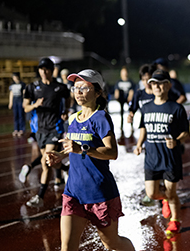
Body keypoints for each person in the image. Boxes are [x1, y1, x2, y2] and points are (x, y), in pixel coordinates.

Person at [46, 69, 135, 251]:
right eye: (75, 87)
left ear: (97, 92)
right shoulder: (73, 118)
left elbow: (112, 152)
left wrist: (82, 149)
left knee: (112, 243)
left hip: (99, 192)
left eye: (84, 88)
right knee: (67, 247)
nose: (78, 92)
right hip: (73, 192)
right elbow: (74, 147)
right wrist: (61, 154)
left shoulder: (101, 118)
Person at [133, 69, 189, 238]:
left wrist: (177, 141)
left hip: (170, 158)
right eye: (153, 83)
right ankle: (164, 200)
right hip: (151, 157)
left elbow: (186, 132)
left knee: (172, 193)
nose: (156, 86)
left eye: (160, 83)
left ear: (168, 85)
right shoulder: (146, 108)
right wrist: (138, 144)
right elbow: (143, 128)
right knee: (151, 193)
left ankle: (175, 220)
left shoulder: (176, 108)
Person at [23, 57, 71, 207]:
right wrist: (35, 105)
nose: (43, 72)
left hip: (55, 128)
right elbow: (25, 107)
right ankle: (66, 168)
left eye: (46, 69)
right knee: (49, 163)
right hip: (40, 130)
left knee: (45, 161)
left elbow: (68, 97)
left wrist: (66, 110)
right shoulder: (33, 87)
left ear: (51, 71)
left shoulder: (59, 87)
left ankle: (40, 197)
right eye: (41, 69)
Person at [114, 66, 135, 136]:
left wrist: (130, 96)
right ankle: (121, 126)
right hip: (121, 99)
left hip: (128, 99)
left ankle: (131, 126)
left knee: (130, 112)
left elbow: (132, 90)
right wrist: (116, 96)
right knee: (122, 113)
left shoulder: (130, 81)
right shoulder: (119, 81)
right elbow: (116, 90)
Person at [9, 72, 27, 136]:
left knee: (21, 115)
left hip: (20, 100)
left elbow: (24, 93)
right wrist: (10, 102)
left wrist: (24, 102)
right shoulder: (12, 84)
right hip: (15, 101)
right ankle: (16, 129)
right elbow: (11, 93)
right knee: (15, 116)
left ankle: (22, 129)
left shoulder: (22, 84)